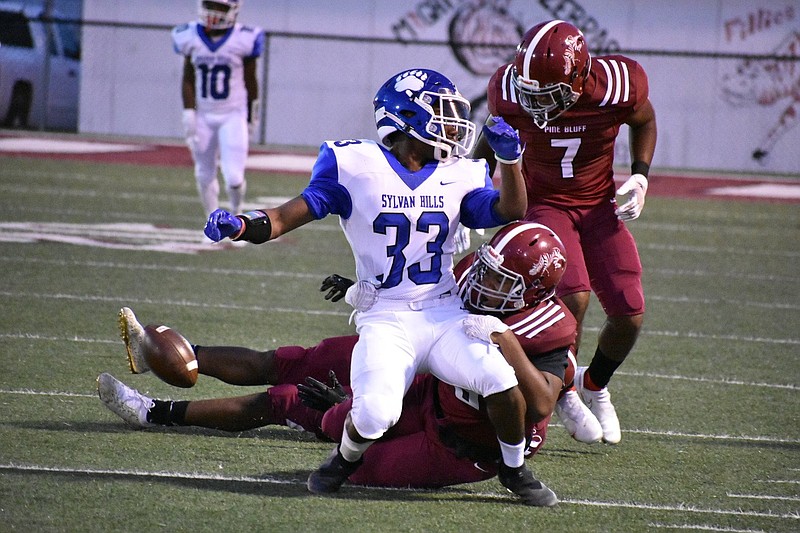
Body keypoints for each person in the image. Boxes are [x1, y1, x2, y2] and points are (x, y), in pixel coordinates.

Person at [200, 67, 545, 503]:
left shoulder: (460, 173)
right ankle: (342, 460)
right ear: (404, 118)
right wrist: (241, 225)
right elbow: (287, 216)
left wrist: (511, 162)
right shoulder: (355, 166)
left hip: (443, 311)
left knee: (498, 379)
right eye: (442, 112)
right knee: (376, 413)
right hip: (387, 315)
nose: (455, 124)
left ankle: (515, 471)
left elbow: (510, 209)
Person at [98, 221, 575, 505]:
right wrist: (372, 293)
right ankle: (168, 382)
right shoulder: (475, 274)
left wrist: (505, 340)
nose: (481, 282)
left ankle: (158, 410)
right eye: (486, 268)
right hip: (428, 382)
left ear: (530, 294)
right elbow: (428, 297)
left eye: (499, 280)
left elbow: (536, 404)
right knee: (296, 371)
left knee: (332, 434)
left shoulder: (550, 329)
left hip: (462, 445)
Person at [472, 20, 658, 445]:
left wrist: (641, 176)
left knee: (630, 313)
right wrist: (472, 191)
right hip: (545, 203)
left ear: (578, 79)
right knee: (572, 296)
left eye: (549, 94)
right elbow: (492, 136)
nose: (536, 103)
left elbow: (644, 120)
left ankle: (595, 384)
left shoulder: (615, 84)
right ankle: (564, 389)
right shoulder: (508, 88)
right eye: (530, 91)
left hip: (598, 205)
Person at [172, 0, 264, 219]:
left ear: (233, 10)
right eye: (209, 4)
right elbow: (188, 78)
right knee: (204, 173)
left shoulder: (244, 38)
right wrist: (189, 113)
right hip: (203, 114)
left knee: (233, 177)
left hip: (233, 114)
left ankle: (237, 217)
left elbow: (251, 82)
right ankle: (212, 221)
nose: (213, 12)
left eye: (220, 7)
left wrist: (253, 115)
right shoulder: (190, 35)